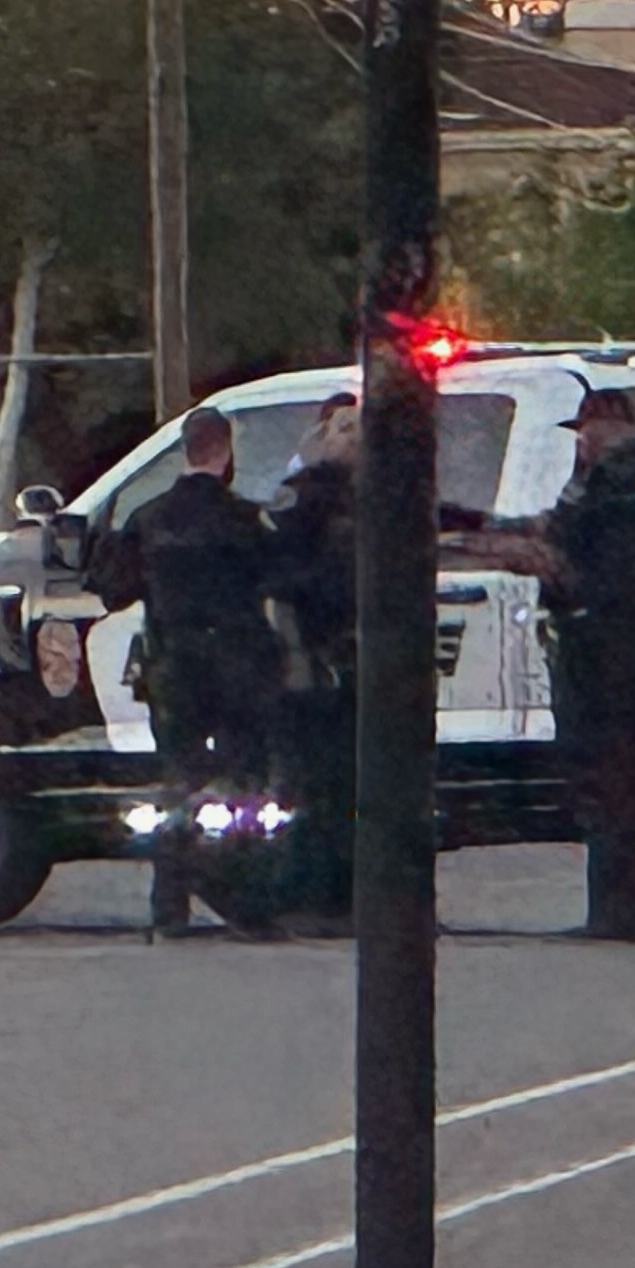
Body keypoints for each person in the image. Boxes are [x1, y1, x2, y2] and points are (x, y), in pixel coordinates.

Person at [506, 385, 635, 942]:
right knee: (626, 780)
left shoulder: (600, 483)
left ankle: (614, 914)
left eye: (583, 432)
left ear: (599, 430)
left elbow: (561, 544)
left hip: (598, 652)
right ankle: (620, 910)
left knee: (602, 784)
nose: (580, 443)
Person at [85, 407, 283, 936]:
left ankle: (169, 907)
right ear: (226, 451)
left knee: (178, 782)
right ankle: (250, 907)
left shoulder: (148, 518)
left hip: (174, 665)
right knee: (244, 784)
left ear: (186, 450)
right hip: (239, 667)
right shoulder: (244, 520)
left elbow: (112, 590)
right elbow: (281, 579)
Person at [261, 395, 362, 937]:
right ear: (322, 438)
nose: (354, 437)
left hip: (364, 663)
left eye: (360, 428)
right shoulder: (301, 498)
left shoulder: (383, 495)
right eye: (344, 428)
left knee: (354, 787)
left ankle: (350, 898)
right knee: (312, 785)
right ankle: (306, 899)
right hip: (314, 663)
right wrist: (298, 659)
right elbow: (278, 582)